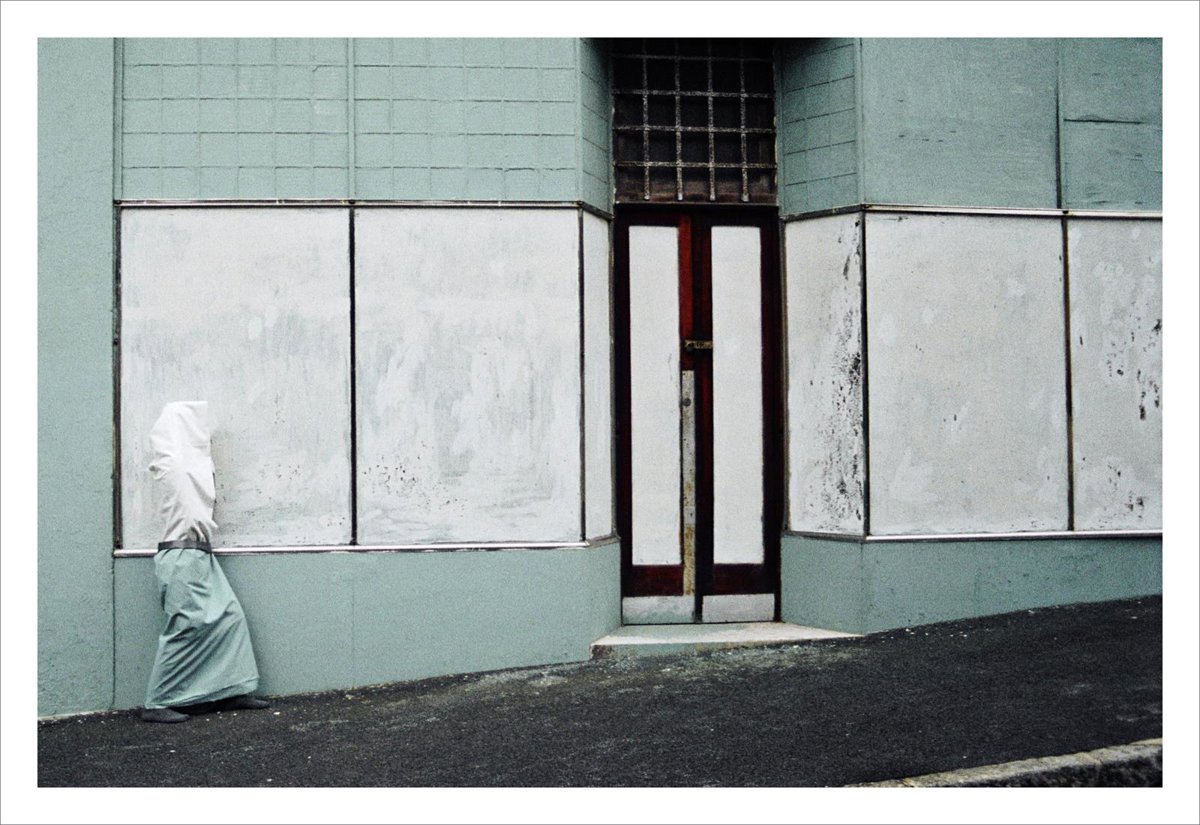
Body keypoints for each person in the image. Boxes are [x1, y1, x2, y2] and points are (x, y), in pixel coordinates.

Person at [140, 401, 271, 723]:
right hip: (182, 557)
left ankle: (227, 690)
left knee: (230, 618)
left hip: (199, 555)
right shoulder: (175, 466)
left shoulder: (190, 466)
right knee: (185, 627)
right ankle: (157, 702)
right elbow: (178, 467)